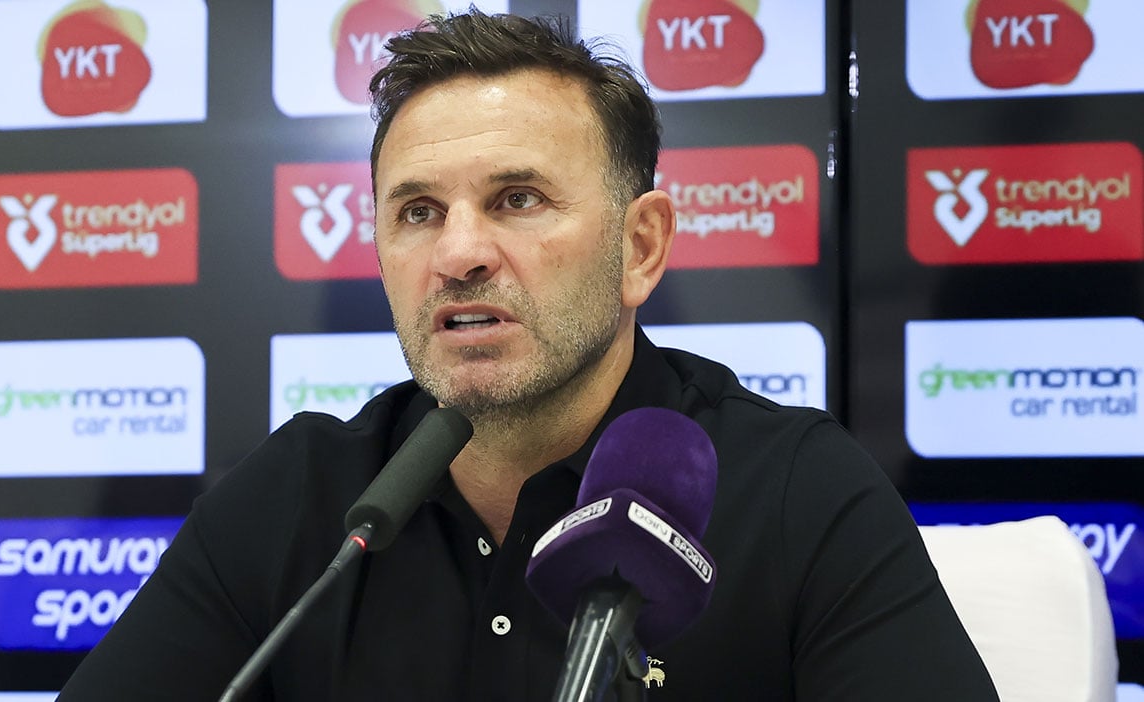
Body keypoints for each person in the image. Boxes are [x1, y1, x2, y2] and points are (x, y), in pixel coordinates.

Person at [59, 10, 998, 701]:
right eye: (418, 211)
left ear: (640, 248)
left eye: (518, 199)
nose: (459, 253)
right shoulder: (299, 504)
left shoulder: (798, 494)